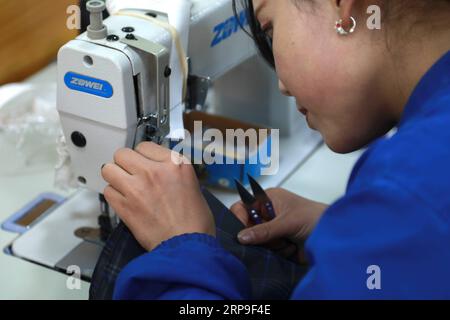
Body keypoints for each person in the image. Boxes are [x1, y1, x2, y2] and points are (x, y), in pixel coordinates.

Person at [100, 0, 450, 299]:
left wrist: (181, 251)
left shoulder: (410, 190)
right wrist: (350, 232)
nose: (280, 85)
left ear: (343, 7)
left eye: (268, 29)